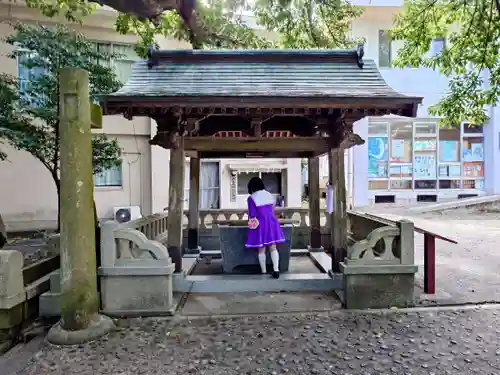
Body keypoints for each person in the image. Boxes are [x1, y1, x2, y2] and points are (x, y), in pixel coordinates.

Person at [245, 177, 286, 278]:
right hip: (272, 223)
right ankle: (276, 270)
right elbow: (272, 209)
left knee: (261, 249)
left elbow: (252, 214)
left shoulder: (251, 198)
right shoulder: (269, 195)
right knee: (273, 247)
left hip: (260, 225)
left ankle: (263, 271)